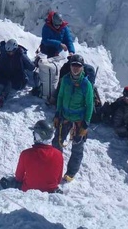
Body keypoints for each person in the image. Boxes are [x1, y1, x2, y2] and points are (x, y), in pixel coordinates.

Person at [52, 54, 94, 182]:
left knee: (77, 146)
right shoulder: (65, 80)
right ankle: (54, 166)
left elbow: (90, 104)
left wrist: (86, 123)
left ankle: (71, 172)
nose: (75, 68)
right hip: (64, 116)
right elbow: (60, 97)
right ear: (70, 66)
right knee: (56, 142)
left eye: (78, 66)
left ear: (82, 68)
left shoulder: (86, 84)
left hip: (78, 120)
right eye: (73, 65)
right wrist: (57, 113)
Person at [0, 120, 63, 193]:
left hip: (29, 189)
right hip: (51, 190)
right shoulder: (59, 154)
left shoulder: (26, 154)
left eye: (35, 133)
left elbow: (19, 177)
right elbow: (58, 180)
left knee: (8, 182)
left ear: (39, 135)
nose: (33, 134)